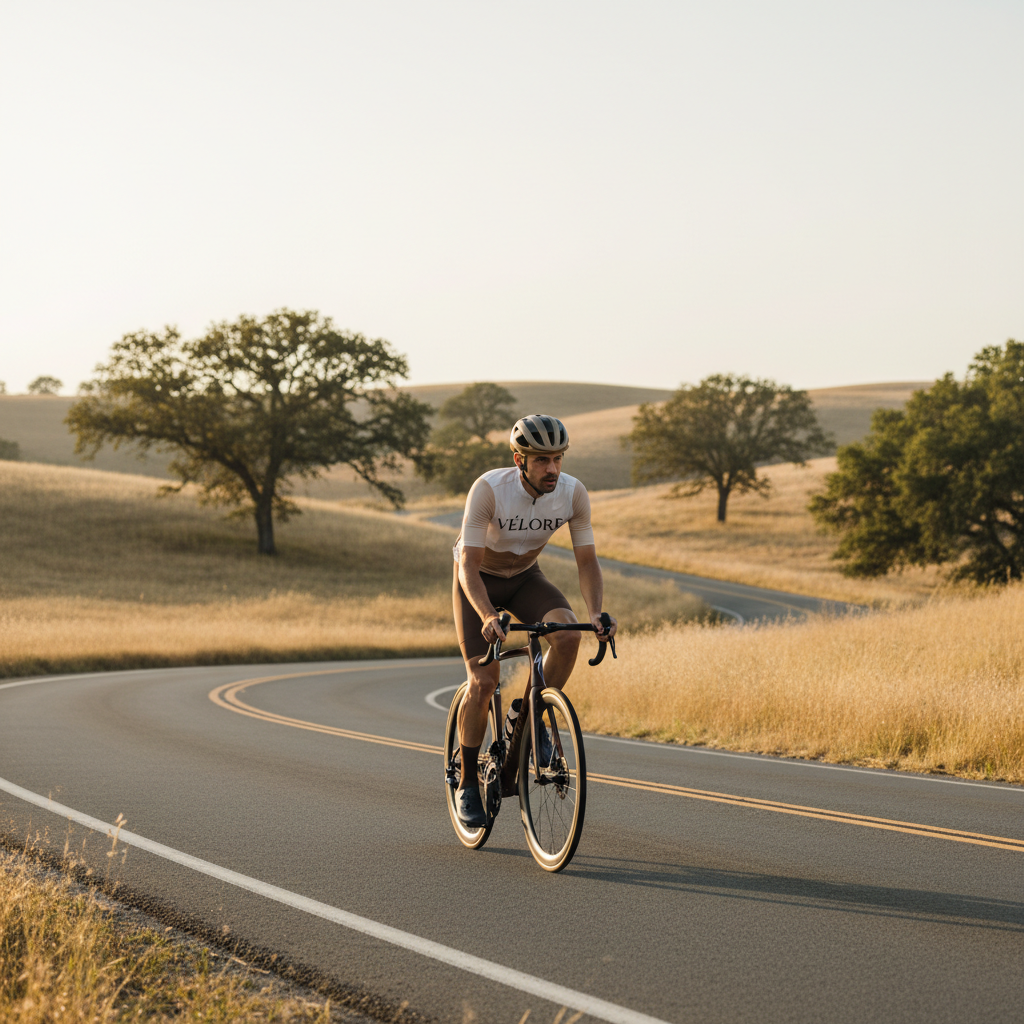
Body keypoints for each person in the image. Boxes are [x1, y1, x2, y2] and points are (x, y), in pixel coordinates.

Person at [451, 413, 617, 827]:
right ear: (519, 459)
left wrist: (596, 613)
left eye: (557, 459)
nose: (553, 469)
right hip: (480, 581)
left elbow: (587, 561)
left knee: (567, 634)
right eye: (542, 460)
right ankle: (468, 782)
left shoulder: (573, 493)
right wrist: (488, 615)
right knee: (484, 682)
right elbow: (468, 567)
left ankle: (530, 714)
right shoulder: (489, 489)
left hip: (526, 577)